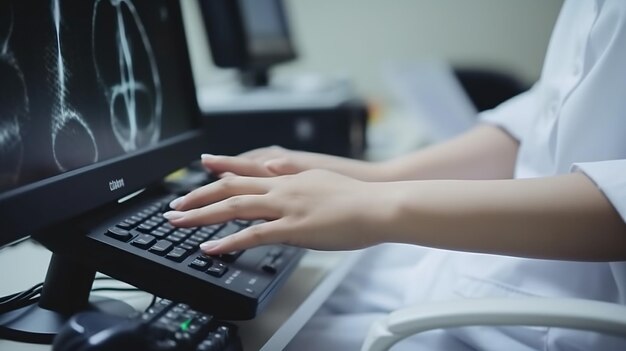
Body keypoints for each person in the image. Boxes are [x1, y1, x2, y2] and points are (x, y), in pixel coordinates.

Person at [164, 1, 626, 349]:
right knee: (269, 304)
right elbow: (539, 123)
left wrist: (377, 206)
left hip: (549, 321)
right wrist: (375, 176)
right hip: (495, 275)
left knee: (244, 335)